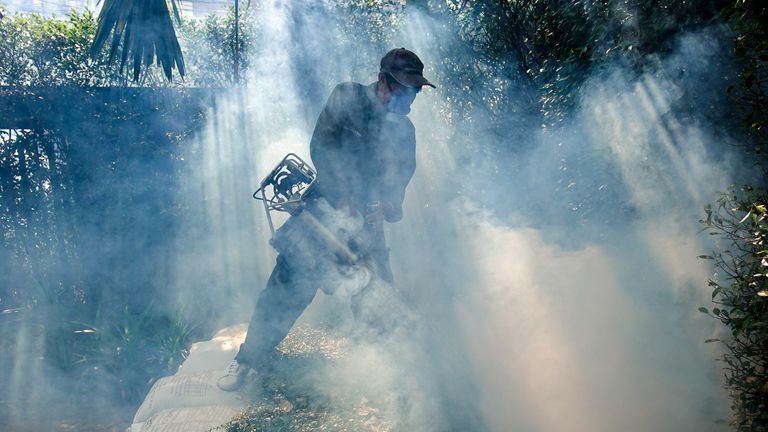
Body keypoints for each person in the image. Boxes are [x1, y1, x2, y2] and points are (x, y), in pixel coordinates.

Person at [218, 48, 434, 391]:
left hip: (366, 224)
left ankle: (398, 383)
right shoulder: (347, 96)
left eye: (415, 92)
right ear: (383, 80)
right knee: (287, 288)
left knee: (378, 297)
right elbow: (322, 145)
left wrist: (388, 206)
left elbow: (402, 176)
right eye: (404, 90)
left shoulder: (404, 131)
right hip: (323, 210)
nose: (410, 99)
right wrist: (342, 195)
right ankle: (246, 361)